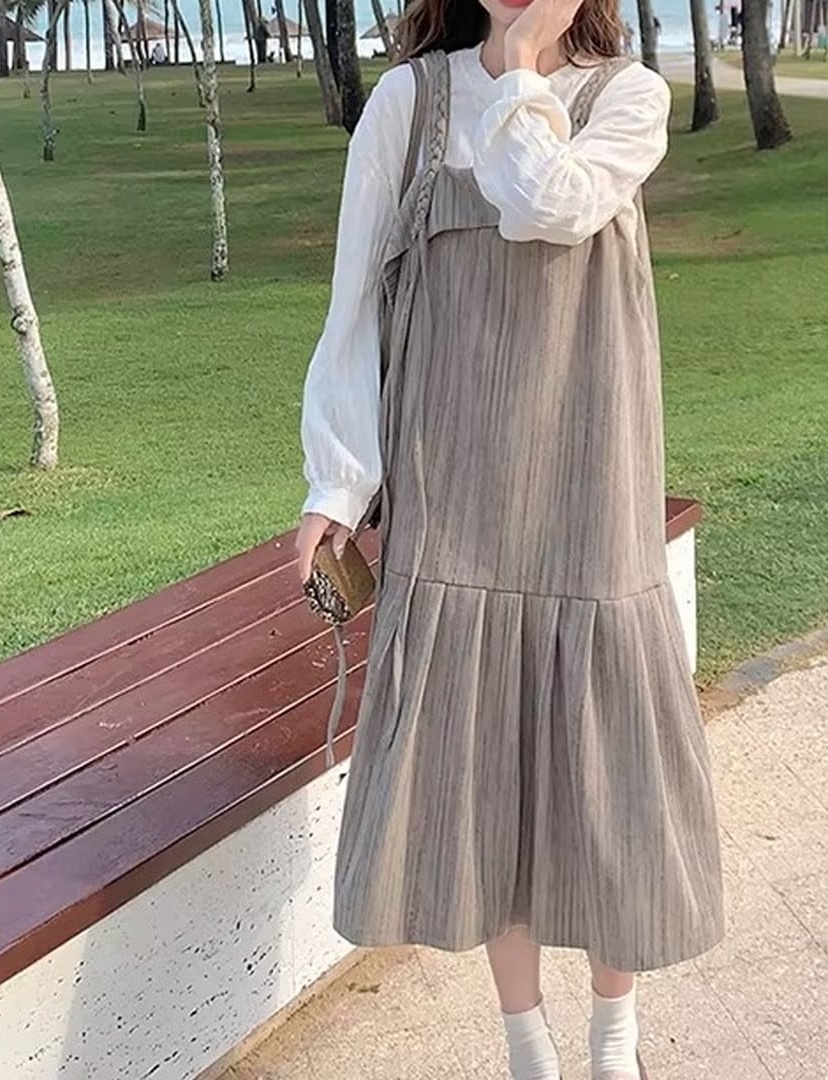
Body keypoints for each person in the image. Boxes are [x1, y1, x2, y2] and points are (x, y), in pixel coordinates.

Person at [295, 0, 726, 1074]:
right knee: (490, 771)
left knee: (610, 773)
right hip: (457, 492)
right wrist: (337, 482)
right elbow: (355, 298)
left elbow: (550, 206)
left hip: (592, 486)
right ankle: (526, 1041)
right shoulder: (409, 104)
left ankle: (615, 1034)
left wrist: (521, 61)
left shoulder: (628, 97)